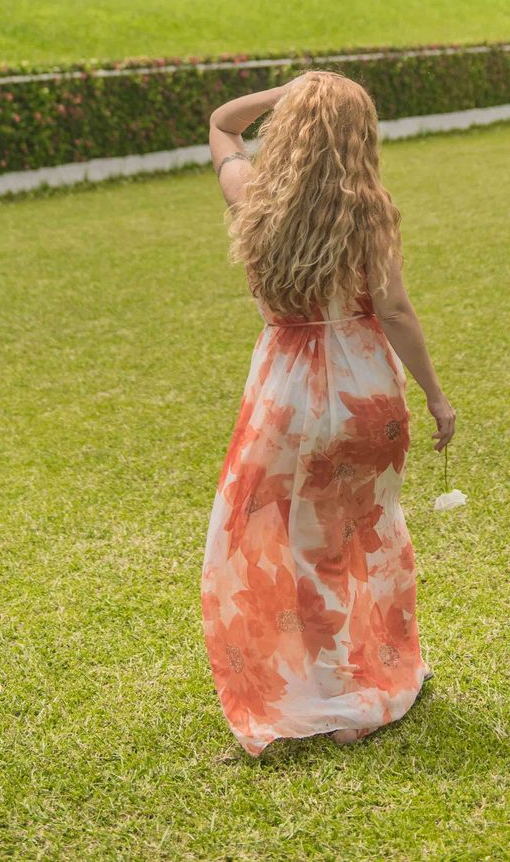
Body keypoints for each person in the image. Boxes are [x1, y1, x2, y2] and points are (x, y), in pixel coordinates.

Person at [200, 68, 457, 757]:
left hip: (284, 391)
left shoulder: (251, 195)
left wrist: (289, 92)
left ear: (290, 131)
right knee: (365, 540)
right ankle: (363, 692)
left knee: (292, 543)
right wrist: (435, 394)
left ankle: (313, 688)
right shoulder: (369, 211)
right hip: (362, 390)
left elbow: (223, 124)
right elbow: (395, 310)